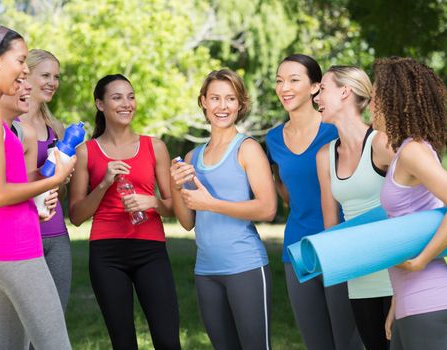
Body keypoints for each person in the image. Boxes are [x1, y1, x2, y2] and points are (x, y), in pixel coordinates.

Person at [0, 25, 74, 349]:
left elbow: (7, 185)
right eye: (20, 61)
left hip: (7, 246)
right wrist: (54, 179)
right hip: (14, 249)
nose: (24, 70)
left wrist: (42, 178)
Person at [69, 74, 181, 350]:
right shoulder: (85, 152)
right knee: (123, 343)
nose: (126, 103)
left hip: (150, 250)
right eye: (117, 97)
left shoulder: (155, 147)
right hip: (106, 254)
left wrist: (151, 202)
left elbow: (172, 208)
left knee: (167, 340)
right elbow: (76, 216)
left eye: (131, 96)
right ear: (100, 104)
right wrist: (104, 184)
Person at [170, 69, 276, 350]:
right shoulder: (194, 156)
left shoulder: (248, 148)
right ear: (203, 101)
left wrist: (211, 204)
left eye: (230, 99)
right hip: (206, 271)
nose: (222, 106)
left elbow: (267, 209)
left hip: (246, 266)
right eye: (215, 98)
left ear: (240, 104)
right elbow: (186, 222)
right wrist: (178, 186)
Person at [372, 57, 447, 350]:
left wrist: (421, 261)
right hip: (408, 298)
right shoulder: (404, 152)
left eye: (376, 98)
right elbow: (408, 226)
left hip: (426, 296)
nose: (370, 105)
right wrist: (395, 303)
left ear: (394, 102)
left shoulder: (413, 152)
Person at [265, 54, 362, 350]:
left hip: (342, 244)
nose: (285, 87)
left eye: (294, 80)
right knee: (316, 342)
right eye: (280, 80)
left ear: (315, 87)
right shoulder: (273, 139)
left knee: (349, 342)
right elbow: (284, 189)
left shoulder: (336, 131)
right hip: (298, 248)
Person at [315, 66, 394, 349]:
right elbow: (330, 226)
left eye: (323, 89)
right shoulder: (324, 156)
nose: (316, 96)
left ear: (345, 92)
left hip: (397, 272)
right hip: (359, 275)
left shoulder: (382, 143)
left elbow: (416, 205)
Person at [20, 49, 71, 310]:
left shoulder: (56, 128)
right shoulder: (9, 124)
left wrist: (62, 178)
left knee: (55, 319)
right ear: (26, 74)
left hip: (57, 236)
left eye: (56, 76)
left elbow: (58, 192)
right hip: (23, 235)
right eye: (46, 75)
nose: (52, 82)